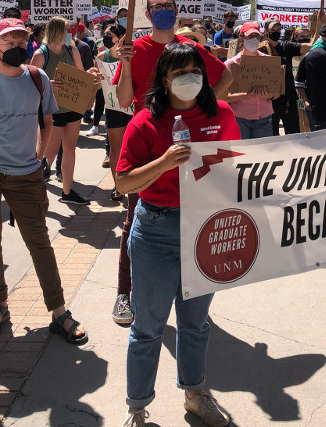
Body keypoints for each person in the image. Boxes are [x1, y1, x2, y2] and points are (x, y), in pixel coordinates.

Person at [115, 43, 239, 427]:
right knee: (148, 329)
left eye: (196, 71)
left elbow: (238, 165)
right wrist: (164, 161)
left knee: (196, 323)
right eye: (180, 72)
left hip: (205, 229)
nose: (190, 78)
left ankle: (195, 394)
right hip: (156, 231)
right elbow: (122, 183)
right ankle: (137, 408)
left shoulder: (220, 113)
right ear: (164, 80)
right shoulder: (145, 122)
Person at [0, 18, 87, 344]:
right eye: (9, 42)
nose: (18, 47)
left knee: (39, 241)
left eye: (22, 40)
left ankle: (59, 311)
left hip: (26, 175)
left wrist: (40, 155)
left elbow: (47, 119)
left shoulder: (38, 80)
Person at [111, 0, 232, 325]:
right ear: (147, 14)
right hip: (149, 145)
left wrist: (205, 110)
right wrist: (124, 61)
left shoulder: (190, 48)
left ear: (176, 11)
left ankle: (186, 290)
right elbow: (123, 100)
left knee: (191, 218)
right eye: (157, 7)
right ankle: (125, 292)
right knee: (137, 218)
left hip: (189, 147)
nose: (163, 10)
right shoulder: (134, 48)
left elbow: (226, 76)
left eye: (169, 6)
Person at [31, 16, 91, 205]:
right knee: (49, 154)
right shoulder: (41, 55)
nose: (70, 33)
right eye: (66, 29)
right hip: (52, 110)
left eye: (70, 29)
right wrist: (47, 84)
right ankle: (35, 195)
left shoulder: (72, 49)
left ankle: (67, 191)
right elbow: (29, 83)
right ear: (56, 31)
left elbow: (81, 74)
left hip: (72, 105)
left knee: (70, 148)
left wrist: (91, 75)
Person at [96, 21, 130, 201]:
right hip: (112, 107)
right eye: (105, 35)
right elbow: (98, 78)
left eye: (110, 35)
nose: (107, 38)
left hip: (132, 106)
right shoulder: (101, 57)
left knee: (131, 146)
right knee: (115, 148)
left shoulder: (131, 55)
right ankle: (118, 186)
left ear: (121, 37)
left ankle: (133, 184)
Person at [260, 19, 312, 135]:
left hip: (288, 100)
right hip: (268, 102)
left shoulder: (286, 46)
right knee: (271, 139)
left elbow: (310, 46)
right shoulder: (260, 50)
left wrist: (317, 24)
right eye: (273, 30)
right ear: (266, 31)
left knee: (293, 137)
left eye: (279, 29)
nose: (277, 32)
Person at [225, 22, 274, 139]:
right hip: (239, 120)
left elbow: (276, 92)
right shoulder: (231, 64)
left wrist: (269, 95)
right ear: (241, 38)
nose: (254, 39)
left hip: (264, 119)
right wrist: (242, 96)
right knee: (242, 155)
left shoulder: (269, 61)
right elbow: (222, 97)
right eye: (250, 36)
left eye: (256, 36)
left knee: (263, 156)